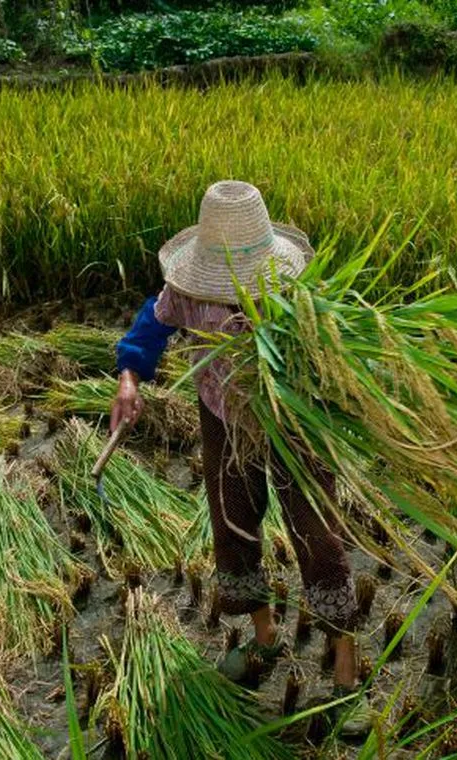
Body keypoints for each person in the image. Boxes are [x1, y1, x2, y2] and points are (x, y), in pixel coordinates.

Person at [110, 180, 372, 734]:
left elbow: (339, 353)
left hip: (293, 423)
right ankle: (263, 639)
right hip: (223, 420)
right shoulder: (187, 293)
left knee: (317, 537)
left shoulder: (296, 295)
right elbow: (150, 326)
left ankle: (347, 674)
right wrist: (129, 379)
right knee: (234, 526)